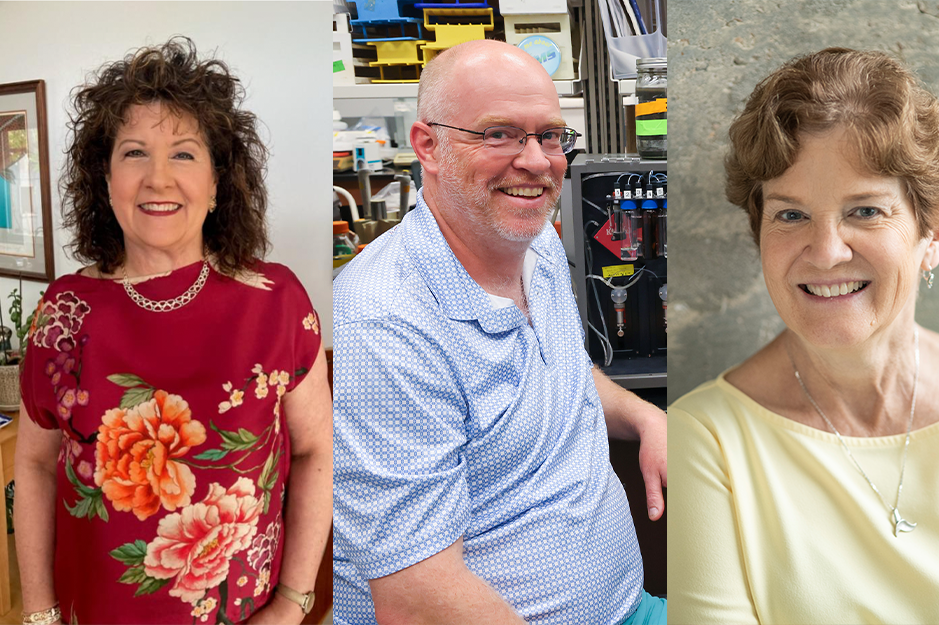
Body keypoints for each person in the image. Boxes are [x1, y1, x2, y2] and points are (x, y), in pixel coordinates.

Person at [330, 40, 668, 624]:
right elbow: (415, 597)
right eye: (499, 134)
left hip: (627, 604)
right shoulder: (388, 320)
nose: (536, 162)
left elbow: (556, 370)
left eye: (550, 136)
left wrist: (644, 416)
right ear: (428, 146)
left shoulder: (531, 242)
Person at [666, 47, 939, 624]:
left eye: (866, 211)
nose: (825, 253)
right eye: (791, 215)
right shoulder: (707, 440)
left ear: (935, 230)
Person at [15, 38, 332, 625]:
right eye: (134, 152)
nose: (158, 178)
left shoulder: (278, 302)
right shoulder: (65, 312)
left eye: (183, 155)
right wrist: (38, 612)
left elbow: (315, 453)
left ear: (217, 185)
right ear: (105, 181)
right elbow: (34, 466)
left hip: (239, 611)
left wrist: (293, 602)